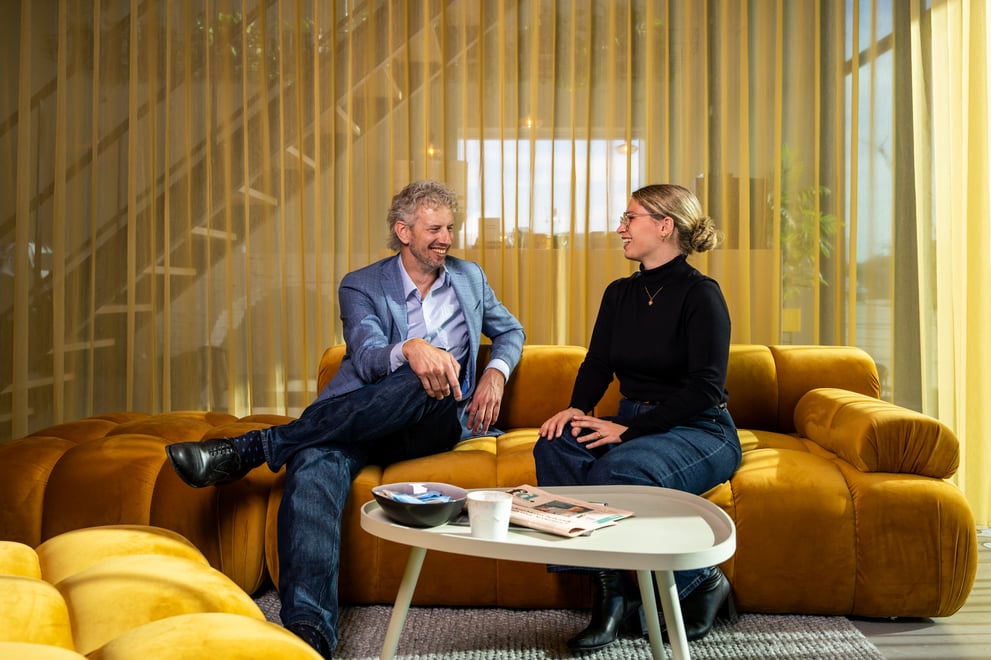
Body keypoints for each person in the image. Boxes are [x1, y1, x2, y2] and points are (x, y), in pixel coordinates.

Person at [164, 180, 525, 659]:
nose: (446, 239)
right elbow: (369, 355)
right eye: (435, 229)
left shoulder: (469, 277)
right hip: (363, 415)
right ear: (404, 232)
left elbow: (511, 331)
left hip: (433, 419)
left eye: (450, 229)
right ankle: (308, 633)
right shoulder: (361, 284)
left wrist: (495, 375)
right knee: (314, 459)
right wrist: (411, 348)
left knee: (427, 379)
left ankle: (254, 449)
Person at [532, 183, 741, 651]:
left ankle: (704, 581)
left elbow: (706, 388)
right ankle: (612, 592)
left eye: (630, 218)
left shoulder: (701, 294)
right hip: (635, 423)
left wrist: (628, 430)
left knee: (617, 470)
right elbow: (598, 363)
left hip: (700, 429)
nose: (620, 228)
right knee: (555, 445)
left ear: (665, 226)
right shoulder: (620, 293)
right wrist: (577, 409)